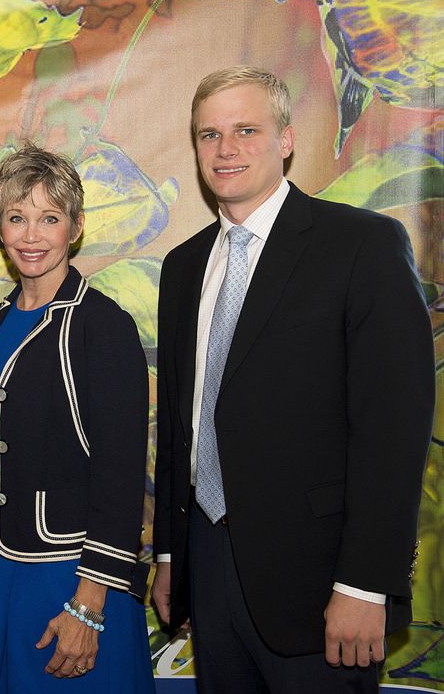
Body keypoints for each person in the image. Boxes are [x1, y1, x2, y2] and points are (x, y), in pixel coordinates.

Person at [151, 66, 435, 692]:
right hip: (210, 571)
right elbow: (181, 423)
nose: (225, 149)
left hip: (324, 583)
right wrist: (172, 554)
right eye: (209, 134)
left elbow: (393, 432)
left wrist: (365, 584)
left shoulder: (361, 245)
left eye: (245, 130)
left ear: (286, 138)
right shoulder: (182, 266)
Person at [0, 144, 155, 692]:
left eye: (49, 218)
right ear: (0, 229)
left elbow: (119, 474)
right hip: (2, 568)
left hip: (70, 579)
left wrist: (89, 606)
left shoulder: (101, 325)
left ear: (76, 226)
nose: (31, 235)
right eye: (17, 218)